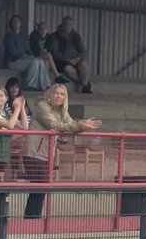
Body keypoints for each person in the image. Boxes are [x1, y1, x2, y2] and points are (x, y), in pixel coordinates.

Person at [23, 82, 102, 219]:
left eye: (62, 94)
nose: (59, 96)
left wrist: (82, 125)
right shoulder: (43, 106)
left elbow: (70, 124)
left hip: (46, 153)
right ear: (50, 94)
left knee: (41, 188)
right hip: (34, 152)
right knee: (39, 187)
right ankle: (31, 220)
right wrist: (80, 125)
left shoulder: (61, 111)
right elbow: (54, 125)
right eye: (56, 93)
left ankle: (33, 220)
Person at [1, 15, 52, 91]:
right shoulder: (9, 36)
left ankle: (46, 85)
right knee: (35, 61)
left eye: (18, 21)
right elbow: (13, 52)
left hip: (24, 60)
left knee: (40, 61)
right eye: (14, 21)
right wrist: (26, 56)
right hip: (13, 61)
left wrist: (31, 55)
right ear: (11, 24)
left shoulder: (23, 37)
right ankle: (31, 85)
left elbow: (29, 50)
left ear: (21, 24)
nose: (16, 23)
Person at [47, 16, 93, 94]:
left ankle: (84, 87)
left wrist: (78, 58)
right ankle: (84, 83)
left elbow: (84, 51)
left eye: (70, 24)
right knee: (68, 69)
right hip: (62, 61)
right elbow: (54, 52)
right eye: (66, 24)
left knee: (84, 65)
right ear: (62, 25)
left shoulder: (76, 36)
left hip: (76, 59)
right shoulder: (55, 36)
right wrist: (67, 59)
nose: (68, 26)